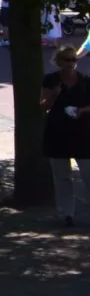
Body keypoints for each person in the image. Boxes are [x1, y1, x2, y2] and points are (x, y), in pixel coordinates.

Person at [40, 44, 90, 225]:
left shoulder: (85, 80)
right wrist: (53, 95)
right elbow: (43, 106)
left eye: (73, 59)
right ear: (58, 62)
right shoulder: (50, 80)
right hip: (57, 133)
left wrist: (82, 111)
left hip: (83, 134)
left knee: (88, 173)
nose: (71, 63)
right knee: (62, 176)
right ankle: (66, 214)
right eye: (67, 60)